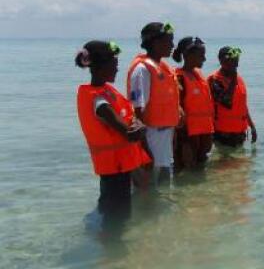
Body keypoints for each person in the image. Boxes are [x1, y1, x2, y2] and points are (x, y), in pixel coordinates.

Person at [76, 40, 150, 227]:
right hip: (114, 169)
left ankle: (108, 245)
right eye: (114, 65)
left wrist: (138, 123)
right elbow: (130, 134)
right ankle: (112, 251)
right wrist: (142, 128)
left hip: (118, 167)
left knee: (111, 209)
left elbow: (129, 119)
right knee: (117, 219)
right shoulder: (100, 101)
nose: (117, 69)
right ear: (100, 66)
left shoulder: (105, 90)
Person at [127, 22, 180, 185]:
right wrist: (144, 149)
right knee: (148, 187)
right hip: (151, 137)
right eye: (169, 41)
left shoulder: (161, 67)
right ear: (156, 42)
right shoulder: (142, 70)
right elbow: (137, 111)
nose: (172, 45)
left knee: (163, 184)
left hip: (163, 135)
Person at [172, 37, 214, 171]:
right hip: (188, 135)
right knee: (185, 170)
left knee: (199, 171)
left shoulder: (199, 75)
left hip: (204, 131)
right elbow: (178, 108)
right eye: (201, 55)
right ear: (187, 55)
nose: (204, 59)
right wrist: (183, 140)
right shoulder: (179, 77)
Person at [208, 46, 257, 148]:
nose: (236, 64)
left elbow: (243, 106)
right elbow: (226, 102)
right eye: (233, 61)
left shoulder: (239, 79)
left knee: (240, 162)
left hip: (240, 132)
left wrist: (252, 126)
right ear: (222, 61)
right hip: (223, 133)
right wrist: (233, 81)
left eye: (237, 61)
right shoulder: (214, 80)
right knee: (225, 163)